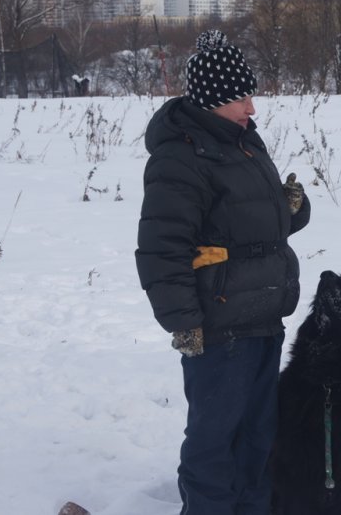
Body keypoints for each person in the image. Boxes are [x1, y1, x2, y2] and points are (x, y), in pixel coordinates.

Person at [135, 29, 310, 514]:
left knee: (258, 436)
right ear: (214, 99)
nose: (252, 108)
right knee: (215, 440)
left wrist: (291, 207)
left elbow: (253, 222)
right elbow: (160, 247)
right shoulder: (180, 158)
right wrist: (182, 321)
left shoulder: (244, 143)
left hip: (262, 315)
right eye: (242, 97)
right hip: (218, 324)